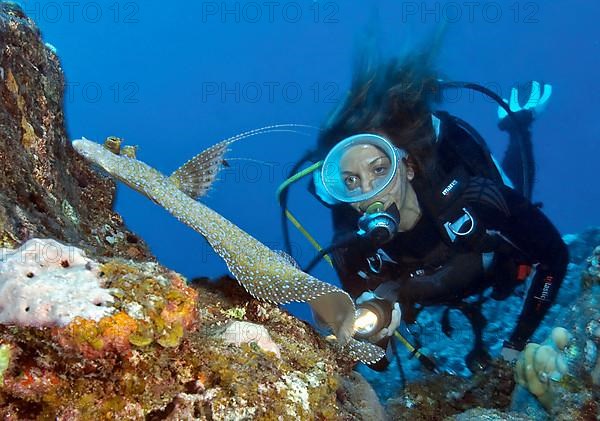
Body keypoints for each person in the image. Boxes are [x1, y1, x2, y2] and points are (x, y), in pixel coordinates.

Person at [290, 53, 569, 372]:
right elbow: (377, 359)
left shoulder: (473, 199)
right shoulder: (351, 248)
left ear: (407, 166)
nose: (368, 194)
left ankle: (519, 122)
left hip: (490, 269)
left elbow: (554, 257)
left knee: (515, 192)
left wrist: (515, 346)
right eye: (350, 181)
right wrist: (376, 331)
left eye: (380, 169)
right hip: (430, 293)